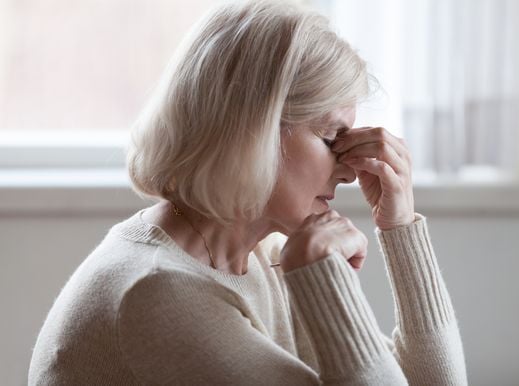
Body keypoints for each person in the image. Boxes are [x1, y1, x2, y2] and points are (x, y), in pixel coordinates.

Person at [28, 1, 467, 384]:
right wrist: (326, 284)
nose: (350, 172)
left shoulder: (266, 251)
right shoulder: (158, 292)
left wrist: (400, 226)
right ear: (253, 132)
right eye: (333, 138)